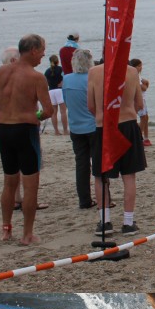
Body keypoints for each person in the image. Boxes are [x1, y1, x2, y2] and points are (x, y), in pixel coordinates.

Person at [0, 33, 54, 245]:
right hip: (25, 130)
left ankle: (6, 230)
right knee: (30, 185)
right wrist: (36, 115)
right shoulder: (36, 77)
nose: (43, 55)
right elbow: (48, 110)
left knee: (9, 181)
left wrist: (3, 105)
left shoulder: (1, 71)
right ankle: (27, 234)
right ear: (33, 50)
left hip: (4, 130)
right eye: (42, 50)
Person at [87, 57, 146, 234]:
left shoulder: (94, 72)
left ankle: (105, 221)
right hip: (127, 124)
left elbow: (91, 106)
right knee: (128, 176)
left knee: (101, 176)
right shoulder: (132, 71)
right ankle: (128, 222)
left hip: (104, 125)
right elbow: (139, 104)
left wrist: (102, 114)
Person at [63, 48, 98, 209]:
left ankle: (84, 199)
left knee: (81, 164)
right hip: (93, 125)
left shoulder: (67, 80)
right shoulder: (92, 78)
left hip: (76, 126)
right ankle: (104, 197)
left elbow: (66, 101)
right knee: (98, 163)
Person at [129, 58, 151, 146]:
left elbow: (145, 85)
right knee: (143, 117)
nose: (141, 67)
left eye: (141, 66)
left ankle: (146, 137)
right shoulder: (134, 76)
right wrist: (146, 84)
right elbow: (144, 88)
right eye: (138, 66)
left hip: (142, 98)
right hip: (138, 99)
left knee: (146, 117)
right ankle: (139, 137)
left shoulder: (138, 76)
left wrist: (145, 83)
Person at [44, 54, 69, 135]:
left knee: (54, 112)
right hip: (59, 90)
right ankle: (65, 130)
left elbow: (45, 82)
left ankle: (56, 131)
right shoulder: (60, 69)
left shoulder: (47, 71)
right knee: (63, 112)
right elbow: (65, 78)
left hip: (51, 91)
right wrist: (62, 83)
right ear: (58, 61)